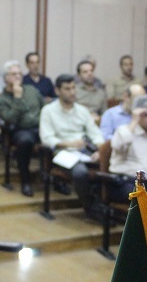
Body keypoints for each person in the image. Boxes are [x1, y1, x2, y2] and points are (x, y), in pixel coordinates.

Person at [40, 74, 105, 211]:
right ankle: (90, 208)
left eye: (74, 88)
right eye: (67, 89)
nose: (72, 92)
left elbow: (95, 133)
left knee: (107, 164)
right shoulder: (48, 111)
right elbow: (47, 138)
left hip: (84, 150)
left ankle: (102, 204)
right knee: (80, 172)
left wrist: (100, 150)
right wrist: (69, 144)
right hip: (62, 152)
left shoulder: (82, 110)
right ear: (57, 91)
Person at [0, 61, 44, 197]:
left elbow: (44, 109)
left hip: (41, 128)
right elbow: (10, 118)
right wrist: (17, 98)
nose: (18, 76)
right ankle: (25, 181)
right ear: (6, 78)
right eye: (13, 74)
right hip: (20, 130)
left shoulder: (31, 90)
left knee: (58, 137)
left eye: (19, 74)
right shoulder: (1, 99)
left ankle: (57, 180)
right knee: (25, 141)